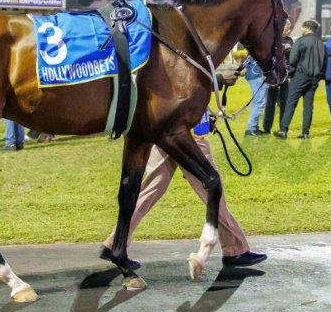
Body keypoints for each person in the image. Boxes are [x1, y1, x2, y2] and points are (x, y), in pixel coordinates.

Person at [101, 60, 267, 270]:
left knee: (149, 191)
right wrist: (218, 79)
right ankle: (236, 249)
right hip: (184, 136)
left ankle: (115, 242)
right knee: (212, 190)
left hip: (168, 130)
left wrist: (206, 113)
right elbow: (182, 84)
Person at [277, 19, 325, 139]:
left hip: (300, 76)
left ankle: (283, 130)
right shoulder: (320, 43)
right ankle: (305, 133)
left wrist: (291, 73)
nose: (301, 29)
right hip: (314, 78)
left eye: (303, 27)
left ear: (307, 28)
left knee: (291, 102)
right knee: (308, 105)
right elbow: (324, 62)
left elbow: (293, 59)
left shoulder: (301, 41)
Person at [261, 22, 294, 134]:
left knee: (284, 102)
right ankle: (266, 128)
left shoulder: (290, 40)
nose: (287, 30)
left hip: (285, 75)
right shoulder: (273, 39)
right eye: (285, 28)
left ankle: (283, 127)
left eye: (289, 29)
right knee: (271, 101)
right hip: (274, 74)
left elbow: (291, 58)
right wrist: (284, 47)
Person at [242, 55, 268, 136]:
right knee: (260, 102)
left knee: (257, 102)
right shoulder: (262, 46)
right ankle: (251, 128)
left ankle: (254, 127)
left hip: (252, 74)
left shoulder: (254, 47)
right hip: (258, 75)